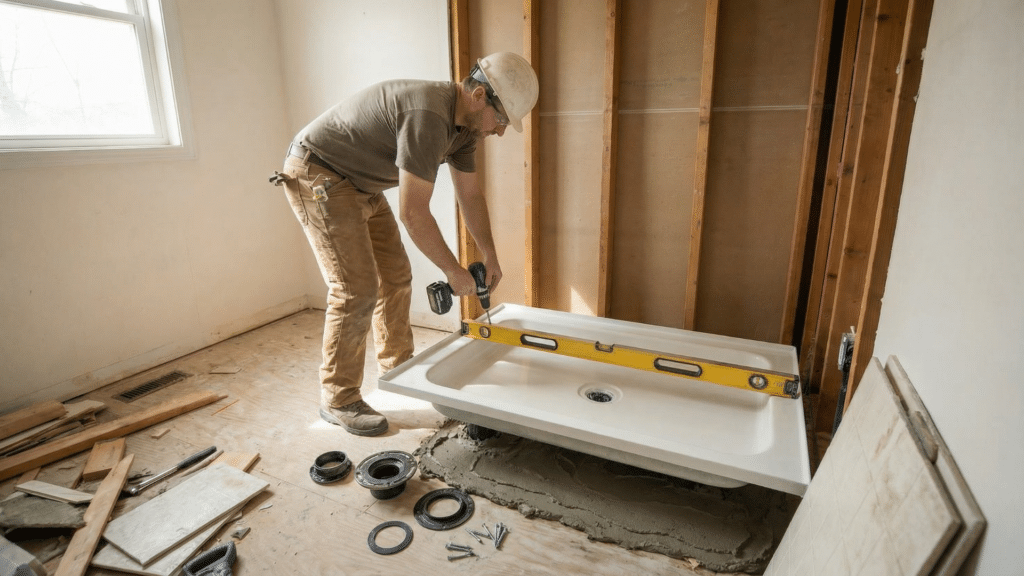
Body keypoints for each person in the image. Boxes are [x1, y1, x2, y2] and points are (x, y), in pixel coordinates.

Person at [276, 52, 539, 436]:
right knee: (356, 289)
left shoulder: (465, 130)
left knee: (396, 276)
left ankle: (397, 368)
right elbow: (414, 214)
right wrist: (452, 270)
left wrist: (491, 255)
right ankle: (338, 398)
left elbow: (470, 195)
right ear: (479, 95)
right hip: (321, 174)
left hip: (361, 183)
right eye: (500, 120)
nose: (500, 131)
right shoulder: (428, 115)